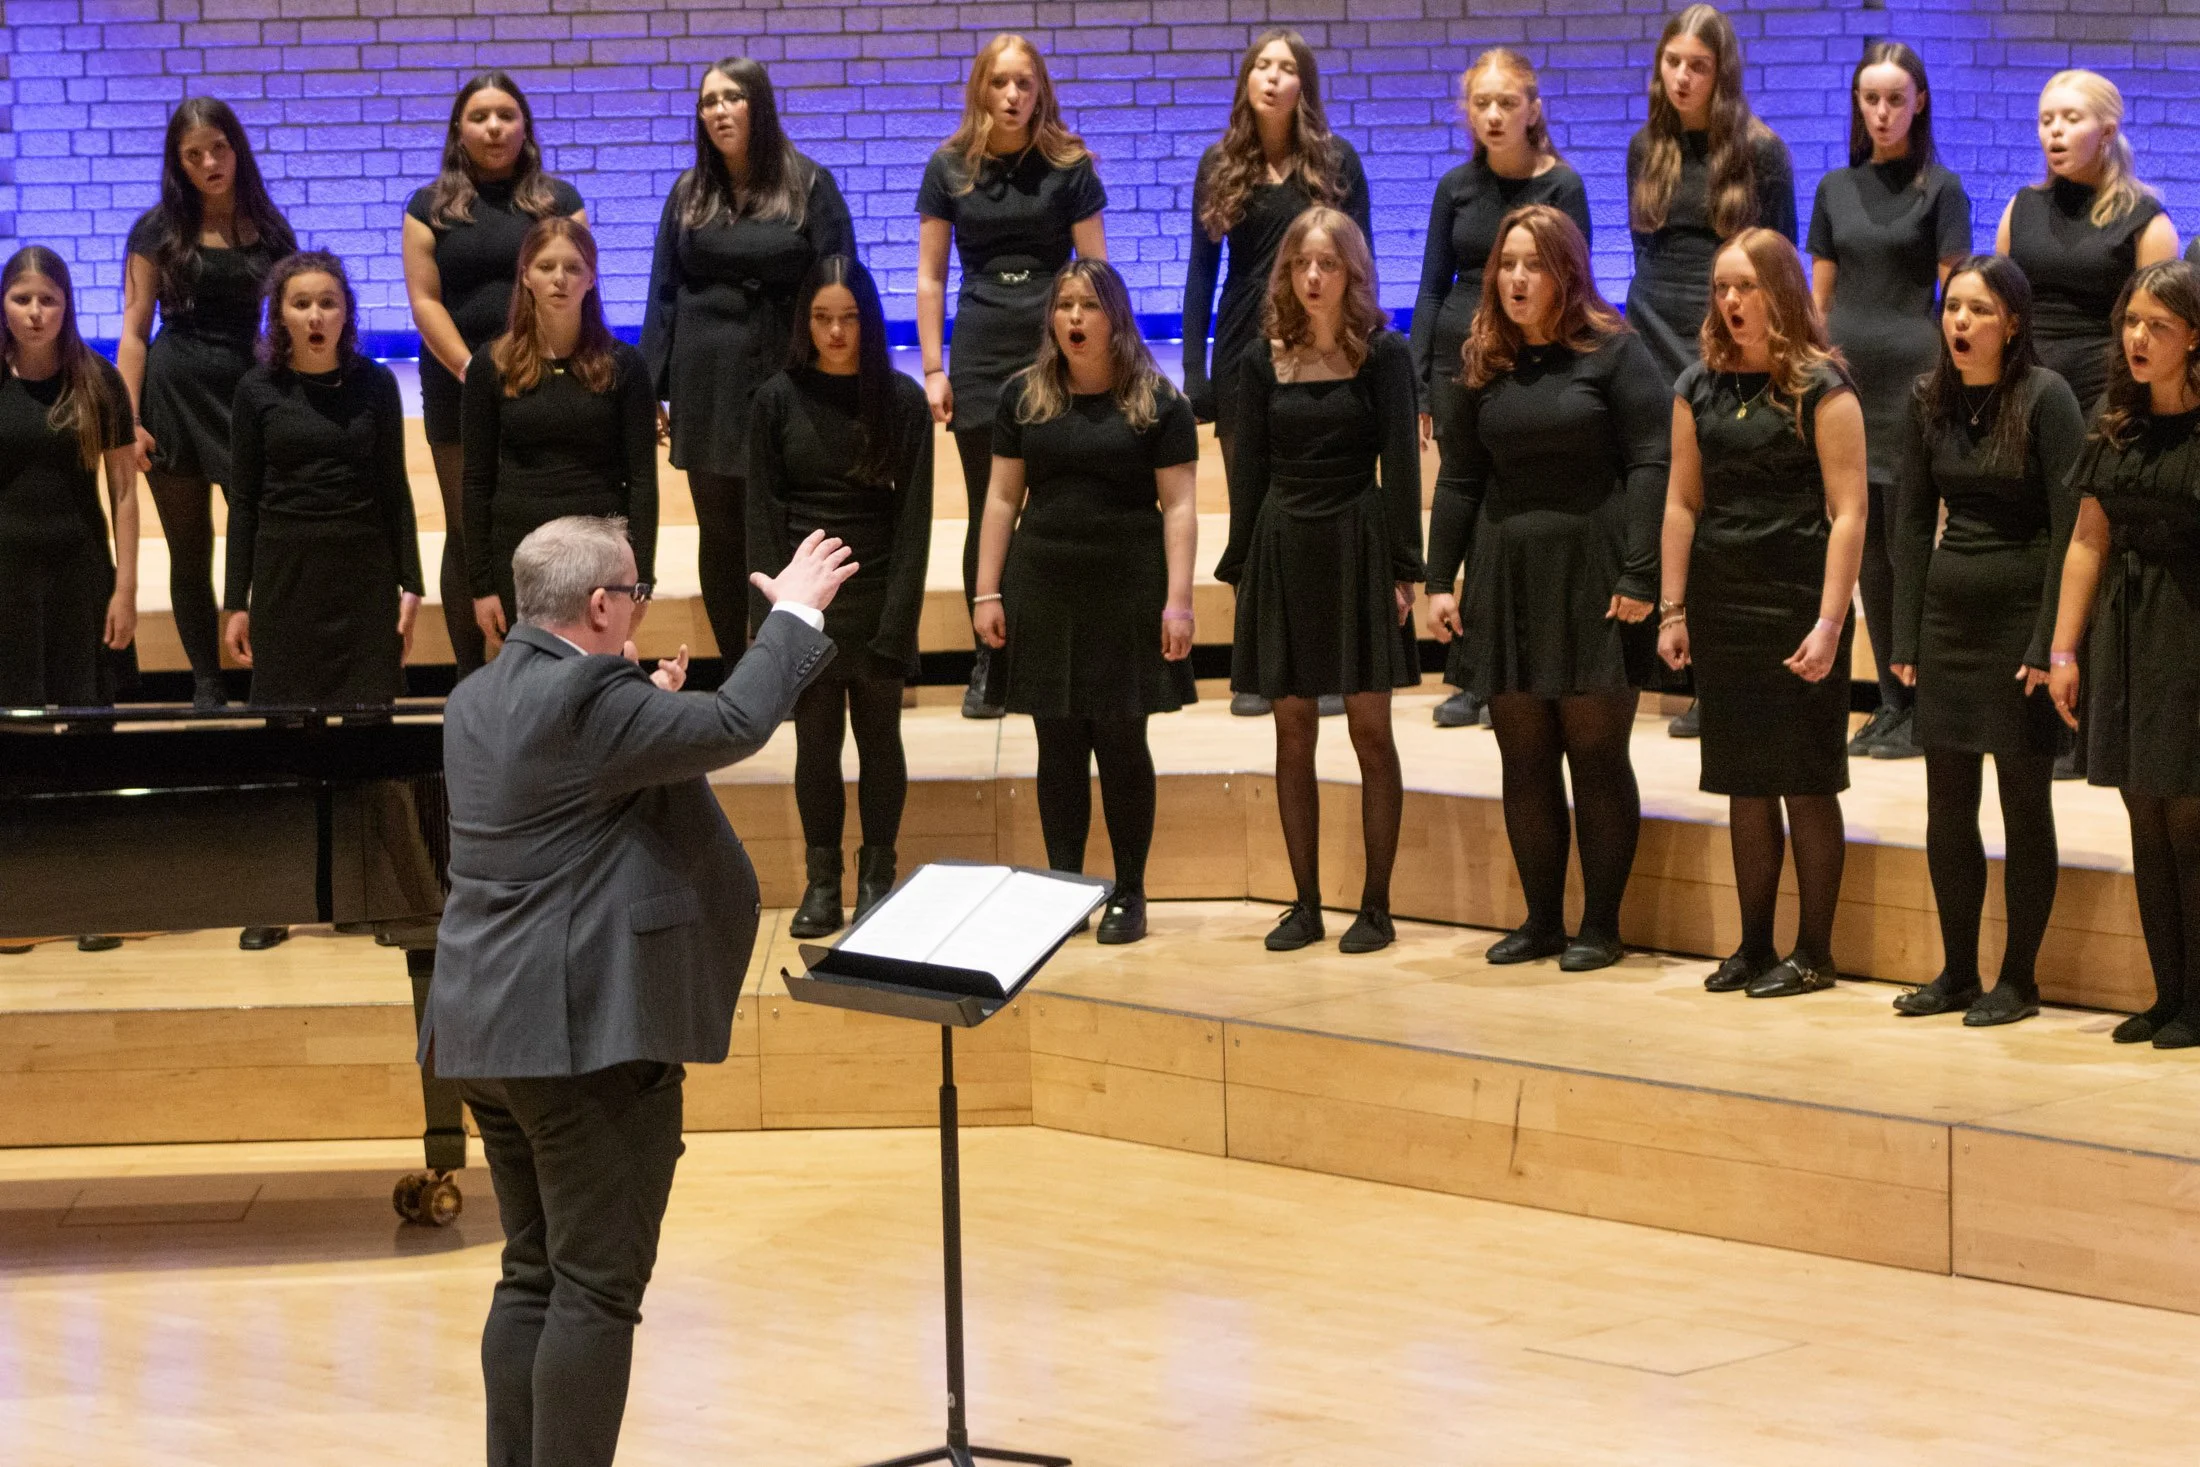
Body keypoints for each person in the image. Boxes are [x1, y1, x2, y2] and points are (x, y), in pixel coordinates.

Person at [423, 514, 848, 1467]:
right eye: (637, 591)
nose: (641, 605)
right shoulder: (589, 698)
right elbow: (737, 724)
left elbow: (578, 800)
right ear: (605, 604)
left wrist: (645, 710)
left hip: (483, 1031)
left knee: (532, 1274)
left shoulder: (475, 697)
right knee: (595, 1289)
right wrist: (795, 617)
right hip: (576, 1041)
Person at [1426, 207, 1668, 972]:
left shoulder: (1614, 353)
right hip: (1507, 573)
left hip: (1595, 570)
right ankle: (1541, 919)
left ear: (1566, 272)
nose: (1517, 278)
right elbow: (1461, 479)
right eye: (1507, 264)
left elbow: (1650, 464)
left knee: (1596, 755)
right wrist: (1440, 580)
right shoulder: (1482, 360)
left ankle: (1601, 923)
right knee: (1524, 757)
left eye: (1533, 264)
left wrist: (1641, 571)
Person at [1658, 229, 1868, 999]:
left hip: (1796, 600)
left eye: (1745, 287)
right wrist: (1673, 609)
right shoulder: (1698, 386)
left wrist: (1829, 622)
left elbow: (1850, 512)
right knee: (1745, 781)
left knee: (1806, 780)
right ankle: (1753, 944)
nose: (1731, 302)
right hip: (1724, 596)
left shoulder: (1824, 387)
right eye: (1721, 288)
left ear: (1779, 291)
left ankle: (1815, 950)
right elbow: (1682, 501)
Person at [971, 260, 1198, 946]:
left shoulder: (1158, 401)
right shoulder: (1024, 398)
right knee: (1058, 743)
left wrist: (1180, 602)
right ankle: (1065, 888)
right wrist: (986, 589)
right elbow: (1002, 498)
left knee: (1123, 741)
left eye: (1088, 306)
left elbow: (1181, 507)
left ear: (1115, 318)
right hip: (1044, 585)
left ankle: (1129, 889)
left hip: (1128, 585)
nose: (1073, 318)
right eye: (1064, 305)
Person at [1887, 256, 2082, 1026]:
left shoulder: (2047, 397)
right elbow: (1907, 521)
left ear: (2014, 323)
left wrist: (2048, 640)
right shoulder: (1928, 397)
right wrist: (1904, 633)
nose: (1961, 322)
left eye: (1979, 310)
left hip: (2021, 617)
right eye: (1953, 308)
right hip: (1948, 619)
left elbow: (2072, 526)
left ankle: (2020, 979)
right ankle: (1958, 970)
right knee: (1947, 802)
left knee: (2023, 804)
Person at [1218, 208, 1420, 955]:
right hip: (1284, 542)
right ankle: (1304, 903)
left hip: (1358, 541)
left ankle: (1376, 905)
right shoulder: (1260, 359)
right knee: (1292, 728)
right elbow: (1250, 474)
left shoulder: (1384, 356)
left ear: (1352, 274)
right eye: (1301, 264)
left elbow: (1400, 468)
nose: (1311, 277)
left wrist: (1405, 569)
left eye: (1327, 265)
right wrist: (1242, 568)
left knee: (1371, 729)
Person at [1180, 29, 1370, 719]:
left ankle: (1321, 664)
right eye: (1260, 65)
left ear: (1304, 86)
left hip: (1323, 344)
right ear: (1246, 81)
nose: (1271, 76)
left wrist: (1365, 350)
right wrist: (1195, 371)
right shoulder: (1220, 163)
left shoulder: (1336, 161)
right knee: (1254, 510)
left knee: (1315, 505)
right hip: (1242, 347)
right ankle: (1258, 664)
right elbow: (1201, 276)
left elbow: (1363, 259)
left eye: (1286, 67)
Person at [643, 56, 856, 665]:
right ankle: (736, 664)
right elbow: (663, 290)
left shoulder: (809, 185)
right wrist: (650, 386)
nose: (718, 110)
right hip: (704, 381)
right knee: (720, 531)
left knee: (778, 526)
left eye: (731, 98)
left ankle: (780, 660)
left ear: (757, 104)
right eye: (708, 101)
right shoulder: (689, 193)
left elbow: (840, 282)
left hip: (783, 378)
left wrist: (838, 376)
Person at [918, 33, 1107, 719]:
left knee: (1055, 508)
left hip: (1056, 346)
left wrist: (1104, 360)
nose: (1012, 95)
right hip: (979, 349)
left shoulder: (1070, 164)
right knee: (988, 509)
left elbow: (1097, 275)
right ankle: (989, 661)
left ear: (1041, 90)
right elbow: (931, 276)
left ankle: (1055, 652)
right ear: (980, 88)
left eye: (1024, 83)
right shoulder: (948, 167)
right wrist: (934, 366)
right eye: (1000, 83)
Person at [748, 256, 933, 939]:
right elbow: (763, 516)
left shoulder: (902, 400)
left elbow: (914, 522)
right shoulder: (775, 400)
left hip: (878, 589)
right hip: (807, 600)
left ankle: (879, 876)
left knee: (880, 739)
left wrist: (899, 620)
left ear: (868, 321)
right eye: (822, 319)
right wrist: (774, 618)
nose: (834, 332)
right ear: (806, 322)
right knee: (816, 744)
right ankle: (822, 882)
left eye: (848, 319)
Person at [1626, 5, 1795, 740]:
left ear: (1721, 72)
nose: (1684, 76)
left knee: (1721, 507)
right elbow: (1644, 255)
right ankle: (1674, 663)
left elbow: (1779, 263)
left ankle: (1723, 677)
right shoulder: (1646, 147)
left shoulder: (1760, 150)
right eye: (1673, 63)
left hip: (1728, 338)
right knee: (1667, 498)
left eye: (1698, 64)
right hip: (1653, 329)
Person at [1411, 49, 1591, 730]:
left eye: (1506, 102)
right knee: (1472, 509)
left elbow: (1576, 281)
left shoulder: (1561, 187)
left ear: (1533, 109)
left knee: (1519, 511)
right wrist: (1424, 383)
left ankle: (1529, 665)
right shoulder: (1455, 186)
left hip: (1536, 358)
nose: (1492, 114)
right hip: (1465, 358)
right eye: (1481, 103)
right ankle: (1479, 669)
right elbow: (1429, 289)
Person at [2048, 260, 2200, 1049]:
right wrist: (2063, 647)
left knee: (2189, 820)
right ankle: (2166, 991)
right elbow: (2086, 540)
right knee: (2142, 812)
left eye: (2158, 327)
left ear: (2194, 339)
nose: (2138, 339)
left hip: (2191, 630)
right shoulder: (2115, 418)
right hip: (2128, 631)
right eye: (2131, 323)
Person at [1808, 42, 1973, 762]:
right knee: (1865, 545)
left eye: (1894, 99)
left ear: (1919, 102)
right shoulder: (1835, 187)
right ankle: (1893, 701)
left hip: (1911, 382)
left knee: (1908, 544)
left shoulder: (1942, 189)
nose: (1881, 112)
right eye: (1869, 99)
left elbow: (1959, 297)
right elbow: (1817, 298)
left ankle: (1925, 697)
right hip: (1845, 385)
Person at [404, 71, 586, 679]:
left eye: (506, 115)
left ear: (525, 125)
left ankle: (540, 665)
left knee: (536, 525)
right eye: (480, 116)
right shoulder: (428, 207)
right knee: (466, 529)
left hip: (542, 382)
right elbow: (425, 301)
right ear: (459, 128)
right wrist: (471, 370)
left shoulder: (559, 202)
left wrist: (536, 369)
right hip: (458, 386)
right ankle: (467, 677)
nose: (493, 127)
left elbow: (576, 288)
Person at [117, 97, 295, 709]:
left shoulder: (270, 228)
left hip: (248, 391)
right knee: (189, 549)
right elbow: (135, 331)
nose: (210, 162)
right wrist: (129, 419)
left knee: (265, 534)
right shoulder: (155, 231)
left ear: (236, 148)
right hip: (175, 389)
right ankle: (206, 684)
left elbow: (288, 325)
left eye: (218, 148)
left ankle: (272, 672)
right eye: (193, 155)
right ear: (178, 164)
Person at [224, 251, 422, 711]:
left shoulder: (376, 384)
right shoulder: (256, 390)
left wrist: (410, 582)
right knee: (287, 725)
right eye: (301, 304)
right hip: (285, 572)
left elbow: (395, 488)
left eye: (328, 303)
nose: (315, 316)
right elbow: (245, 500)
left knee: (369, 724)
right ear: (279, 314)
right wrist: (237, 601)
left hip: (363, 572)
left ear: (346, 312)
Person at [462, 217, 657, 647]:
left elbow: (643, 480)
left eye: (573, 267)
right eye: (546, 266)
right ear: (526, 276)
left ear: (591, 279)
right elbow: (476, 483)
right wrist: (481, 586)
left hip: (600, 558)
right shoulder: (490, 365)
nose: (559, 279)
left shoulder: (624, 365)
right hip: (519, 554)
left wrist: (643, 576)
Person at [0, 246, 139, 711]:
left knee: (88, 721)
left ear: (68, 304)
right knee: (16, 728)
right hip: (8, 572)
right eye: (22, 299)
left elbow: (124, 495)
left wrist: (126, 589)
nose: (36, 314)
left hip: (81, 570)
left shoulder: (98, 380)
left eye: (49, 300)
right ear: (3, 303)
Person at [1996, 69, 2178, 418]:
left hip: (2106, 394)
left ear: (2106, 132)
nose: (2055, 130)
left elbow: (2160, 327)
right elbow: (1999, 304)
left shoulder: (2145, 219)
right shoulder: (2020, 207)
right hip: (2023, 386)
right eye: (2046, 120)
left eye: (2071, 118)